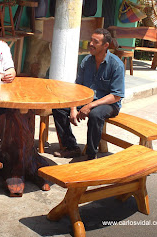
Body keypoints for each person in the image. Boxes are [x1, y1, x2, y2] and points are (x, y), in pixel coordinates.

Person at [52, 28, 125, 160]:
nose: (90, 43)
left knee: (95, 114)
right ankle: (71, 147)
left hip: (109, 104)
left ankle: (91, 155)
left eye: (95, 42)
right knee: (59, 107)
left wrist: (90, 106)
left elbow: (116, 95)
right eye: (91, 40)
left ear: (105, 45)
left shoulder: (116, 65)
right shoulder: (87, 61)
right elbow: (77, 87)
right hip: (86, 101)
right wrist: (74, 107)